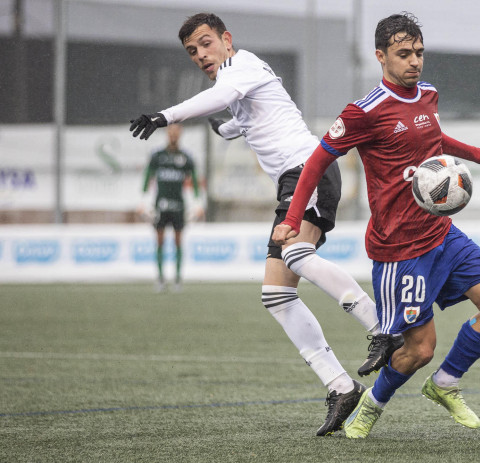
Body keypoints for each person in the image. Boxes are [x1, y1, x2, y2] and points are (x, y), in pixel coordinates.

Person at [128, 12, 403, 436]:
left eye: (206, 43)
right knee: (276, 294)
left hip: (306, 170)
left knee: (295, 254)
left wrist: (165, 116)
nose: (201, 54)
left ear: (226, 39)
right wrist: (228, 128)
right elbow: (243, 115)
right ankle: (341, 386)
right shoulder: (238, 80)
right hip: (296, 179)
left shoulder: (244, 66)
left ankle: (381, 325)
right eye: (192, 51)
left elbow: (220, 99)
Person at [272, 12, 480, 438]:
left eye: (419, 52)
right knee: (418, 350)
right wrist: (292, 218)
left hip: (442, 235)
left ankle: (445, 384)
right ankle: (372, 404)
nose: (415, 61)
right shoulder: (363, 112)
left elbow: (435, 138)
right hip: (400, 250)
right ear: (380, 56)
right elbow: (317, 161)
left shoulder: (428, 94)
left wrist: (477, 154)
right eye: (404, 54)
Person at [138, 123, 204, 293]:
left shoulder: (185, 157)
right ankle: (160, 279)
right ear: (167, 134)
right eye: (171, 132)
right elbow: (148, 177)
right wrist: (143, 201)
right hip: (160, 205)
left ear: (180, 134)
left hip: (178, 205)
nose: (173, 135)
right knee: (159, 241)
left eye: (176, 132)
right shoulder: (158, 156)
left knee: (178, 241)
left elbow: (195, 181)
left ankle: (177, 279)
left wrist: (197, 203)